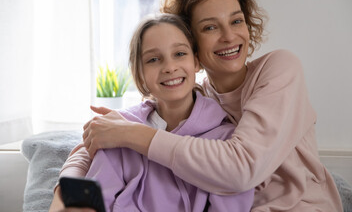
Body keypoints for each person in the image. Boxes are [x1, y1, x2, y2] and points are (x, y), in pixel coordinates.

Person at [51, 0, 343, 212]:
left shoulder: (279, 69)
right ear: (193, 47)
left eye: (237, 21)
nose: (229, 36)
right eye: (210, 27)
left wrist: (131, 134)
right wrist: (65, 194)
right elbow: (93, 143)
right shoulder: (194, 97)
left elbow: (241, 168)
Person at [50, 14, 254, 211]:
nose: (169, 67)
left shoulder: (226, 141)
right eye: (154, 59)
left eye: (180, 54)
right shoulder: (117, 133)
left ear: (196, 61)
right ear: (140, 73)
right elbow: (97, 201)